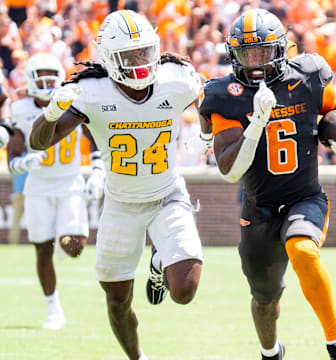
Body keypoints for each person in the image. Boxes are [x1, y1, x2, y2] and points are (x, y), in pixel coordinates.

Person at [29, 10, 203, 360]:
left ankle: (160, 263)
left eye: (145, 52)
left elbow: (212, 101)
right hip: (121, 204)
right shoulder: (91, 91)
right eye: (130, 56)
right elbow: (37, 142)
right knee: (117, 300)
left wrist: (208, 132)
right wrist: (50, 112)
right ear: (109, 59)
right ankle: (137, 357)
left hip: (167, 195)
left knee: (184, 289)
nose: (141, 62)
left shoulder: (177, 78)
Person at [199, 9, 336, 360]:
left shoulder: (308, 76)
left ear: (281, 49)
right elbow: (230, 171)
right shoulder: (227, 94)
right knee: (265, 299)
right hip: (258, 210)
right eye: (247, 54)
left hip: (304, 196)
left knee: (302, 250)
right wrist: (257, 122)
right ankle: (271, 351)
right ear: (233, 55)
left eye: (263, 52)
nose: (255, 63)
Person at [7, 52, 104, 330]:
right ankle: (53, 309)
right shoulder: (21, 109)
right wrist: (23, 162)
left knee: (74, 247)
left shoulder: (71, 103)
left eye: (52, 75)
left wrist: (97, 173)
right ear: (29, 79)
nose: (48, 81)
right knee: (41, 250)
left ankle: (64, 238)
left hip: (70, 181)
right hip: (38, 186)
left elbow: (94, 140)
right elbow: (12, 158)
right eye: (41, 75)